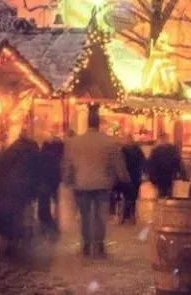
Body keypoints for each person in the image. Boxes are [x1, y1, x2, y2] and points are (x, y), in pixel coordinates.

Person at [62, 104, 129, 257]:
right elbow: (118, 163)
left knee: (85, 216)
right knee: (100, 217)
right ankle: (99, 246)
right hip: (102, 185)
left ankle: (86, 245)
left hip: (81, 184)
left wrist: (67, 179)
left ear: (87, 123)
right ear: (99, 124)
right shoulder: (109, 142)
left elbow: (67, 163)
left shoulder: (74, 142)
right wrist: (124, 178)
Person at [38, 131, 64, 238]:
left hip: (44, 183)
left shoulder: (42, 155)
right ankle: (52, 226)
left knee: (43, 207)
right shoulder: (56, 157)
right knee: (50, 204)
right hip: (52, 182)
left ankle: (49, 227)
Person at [147, 133, 188, 198]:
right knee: (169, 193)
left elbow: (151, 166)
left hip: (159, 177)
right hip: (170, 176)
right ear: (168, 139)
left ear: (160, 140)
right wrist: (184, 176)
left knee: (160, 194)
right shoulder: (173, 149)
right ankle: (167, 201)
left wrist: (152, 179)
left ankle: (162, 204)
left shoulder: (155, 151)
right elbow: (179, 163)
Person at [121, 135, 146, 223]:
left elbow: (120, 163)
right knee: (133, 196)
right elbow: (143, 161)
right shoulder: (137, 149)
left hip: (126, 175)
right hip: (136, 175)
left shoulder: (123, 150)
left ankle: (125, 216)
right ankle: (131, 215)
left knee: (127, 196)